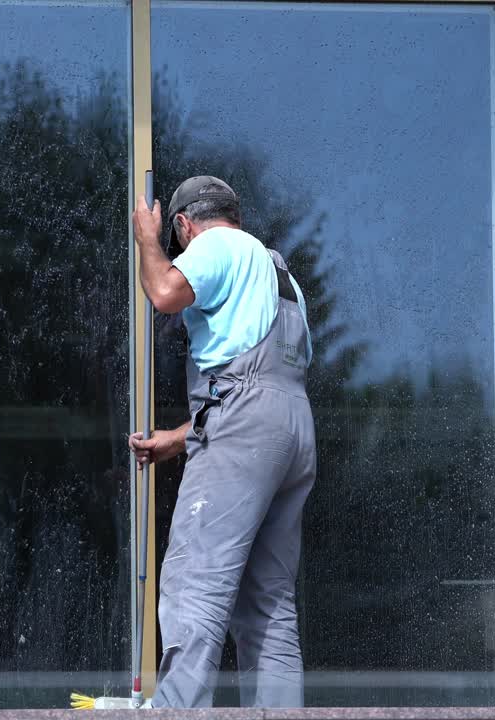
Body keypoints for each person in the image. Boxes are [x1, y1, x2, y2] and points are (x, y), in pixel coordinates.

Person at [128, 176, 317, 708]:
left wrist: (147, 238)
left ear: (185, 226)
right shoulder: (280, 273)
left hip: (247, 428)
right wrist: (179, 438)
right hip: (292, 431)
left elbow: (165, 293)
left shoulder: (216, 245)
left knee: (195, 583)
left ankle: (178, 713)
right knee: (269, 603)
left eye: (174, 238)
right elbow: (264, 392)